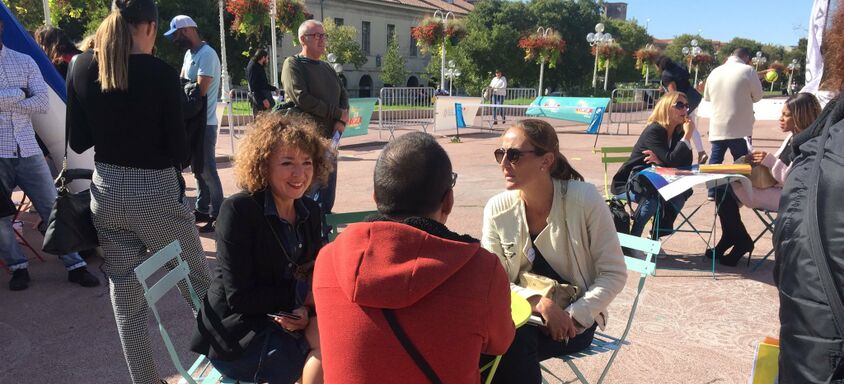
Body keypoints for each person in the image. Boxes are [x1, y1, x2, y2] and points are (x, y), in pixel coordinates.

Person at [66, 1, 211, 382]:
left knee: (128, 300)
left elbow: (79, 140)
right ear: (149, 26)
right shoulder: (161, 74)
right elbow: (180, 154)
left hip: (107, 191)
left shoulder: (80, 66)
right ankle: (228, 363)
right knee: (197, 285)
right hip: (156, 192)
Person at [313, 132, 515, 384]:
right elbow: (500, 343)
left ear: (376, 198)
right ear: (448, 202)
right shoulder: (482, 269)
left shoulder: (328, 260)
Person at [481, 119, 627, 384]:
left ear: (546, 161)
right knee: (478, 338)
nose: (503, 163)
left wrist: (572, 315)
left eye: (513, 155)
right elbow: (493, 279)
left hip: (577, 318)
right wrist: (537, 302)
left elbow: (613, 274)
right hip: (519, 312)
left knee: (511, 344)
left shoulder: (583, 200)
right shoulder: (497, 208)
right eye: (500, 154)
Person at [191, 113, 327, 383]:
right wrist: (296, 303)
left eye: (307, 162)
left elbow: (316, 270)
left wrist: (303, 311)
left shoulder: (309, 210)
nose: (299, 173)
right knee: (326, 357)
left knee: (343, 339)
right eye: (287, 162)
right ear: (264, 165)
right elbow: (239, 297)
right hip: (239, 333)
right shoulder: (238, 211)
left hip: (283, 314)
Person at [0, 17, 99, 291]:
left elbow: (42, 102)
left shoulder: (25, 61)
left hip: (28, 150)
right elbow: (31, 100)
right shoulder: (26, 67)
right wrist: (19, 93)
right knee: (1, 218)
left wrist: (5, 98)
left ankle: (75, 264)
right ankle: (18, 267)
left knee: (54, 207)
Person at [775, 3, 844, 381]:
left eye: (786, 114)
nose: (781, 119)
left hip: (811, 363)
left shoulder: (812, 154)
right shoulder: (810, 149)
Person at [706, 93, 821, 266]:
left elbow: (794, 181)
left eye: (786, 115)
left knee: (724, 189)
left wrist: (769, 161)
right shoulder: (794, 137)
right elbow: (779, 164)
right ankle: (732, 237)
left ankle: (738, 239)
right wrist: (759, 161)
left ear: (800, 116)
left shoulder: (808, 143)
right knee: (724, 185)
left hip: (789, 197)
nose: (780, 118)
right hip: (776, 189)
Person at [282, 20, 349, 216]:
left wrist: (342, 120)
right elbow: (302, 98)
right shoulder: (293, 64)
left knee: (327, 193)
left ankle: (323, 233)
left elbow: (343, 94)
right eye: (316, 36)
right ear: (303, 39)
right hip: (306, 141)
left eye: (323, 35)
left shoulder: (327, 68)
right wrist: (336, 113)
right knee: (306, 191)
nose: (322, 39)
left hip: (331, 140)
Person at [164, 14, 223, 233]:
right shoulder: (190, 54)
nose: (174, 40)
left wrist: (184, 90)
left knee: (208, 170)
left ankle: (218, 214)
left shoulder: (207, 55)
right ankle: (202, 208)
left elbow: (199, 92)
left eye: (176, 34)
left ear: (187, 30)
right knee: (198, 170)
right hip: (194, 122)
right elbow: (183, 86)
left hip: (205, 123)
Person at [611, 92, 696, 238]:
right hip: (631, 183)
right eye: (680, 105)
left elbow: (684, 164)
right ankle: (633, 240)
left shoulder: (677, 132)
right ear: (666, 108)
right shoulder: (654, 131)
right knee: (652, 200)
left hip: (656, 183)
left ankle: (656, 236)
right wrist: (687, 137)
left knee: (680, 194)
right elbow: (672, 161)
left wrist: (662, 160)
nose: (685, 110)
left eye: (686, 106)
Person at [703, 48, 764, 198]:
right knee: (742, 160)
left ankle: (712, 191)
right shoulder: (748, 70)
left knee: (716, 159)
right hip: (740, 126)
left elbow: (707, 97)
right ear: (747, 58)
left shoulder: (715, 71)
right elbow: (758, 96)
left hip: (718, 124)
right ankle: (742, 191)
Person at [655, 55, 707, 163]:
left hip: (682, 102)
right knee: (689, 125)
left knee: (686, 125)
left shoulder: (666, 75)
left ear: (659, 65)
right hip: (693, 98)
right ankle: (699, 151)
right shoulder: (678, 68)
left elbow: (673, 93)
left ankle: (696, 152)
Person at [246, 48, 277, 116]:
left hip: (263, 96)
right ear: (263, 58)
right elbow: (253, 85)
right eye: (267, 58)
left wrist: (274, 89)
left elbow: (263, 83)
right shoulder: (253, 66)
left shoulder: (259, 66)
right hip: (260, 99)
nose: (268, 60)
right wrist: (263, 99)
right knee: (261, 120)